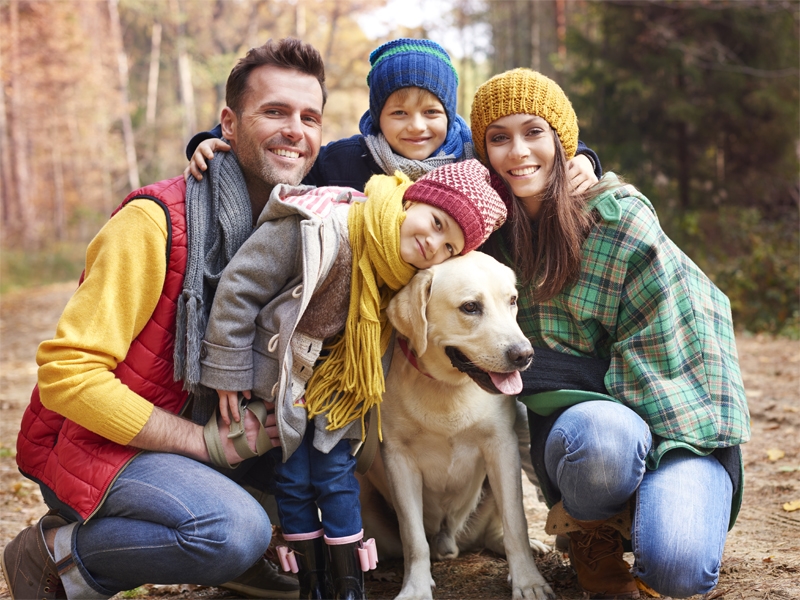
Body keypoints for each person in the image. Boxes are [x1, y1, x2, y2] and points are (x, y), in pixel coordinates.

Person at [1, 38, 332, 600]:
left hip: (222, 438)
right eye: (274, 111)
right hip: (106, 445)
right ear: (228, 123)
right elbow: (67, 376)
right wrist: (200, 443)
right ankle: (60, 556)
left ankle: (233, 531)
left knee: (337, 464)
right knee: (233, 532)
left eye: (309, 117)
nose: (295, 130)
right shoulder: (154, 223)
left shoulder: (306, 227)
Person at [469, 68, 750, 599]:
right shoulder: (488, 236)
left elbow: (671, 361)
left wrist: (553, 371)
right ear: (483, 152)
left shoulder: (620, 222)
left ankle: (651, 500)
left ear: (561, 140)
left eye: (534, 132)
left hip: (682, 421)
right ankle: (592, 528)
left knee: (678, 569)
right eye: (498, 138)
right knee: (604, 441)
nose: (518, 151)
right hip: (598, 429)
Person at [199, 159, 507, 600]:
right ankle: (310, 583)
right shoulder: (317, 225)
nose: (432, 241)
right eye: (436, 221)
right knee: (292, 478)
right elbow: (240, 287)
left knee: (336, 475)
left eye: (447, 245)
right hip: (279, 381)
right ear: (413, 198)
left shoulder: (403, 275)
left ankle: (349, 583)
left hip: (342, 389)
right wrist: (228, 371)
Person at [185, 38, 603, 194]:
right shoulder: (345, 159)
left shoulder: (473, 154)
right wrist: (207, 140)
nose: (417, 126)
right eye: (398, 112)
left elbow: (528, 149)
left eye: (431, 112)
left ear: (449, 113)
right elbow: (280, 159)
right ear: (376, 117)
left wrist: (583, 156)